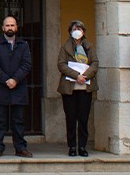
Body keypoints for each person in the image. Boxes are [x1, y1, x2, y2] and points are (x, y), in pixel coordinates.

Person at [0, 15, 32, 158]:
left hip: (18, 89)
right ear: (2, 28)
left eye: (12, 25)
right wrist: (7, 79)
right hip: (0, 88)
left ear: (17, 27)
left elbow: (27, 65)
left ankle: (20, 148)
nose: (10, 28)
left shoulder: (23, 45)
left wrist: (15, 79)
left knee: (18, 121)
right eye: (7, 25)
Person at [57, 19, 98, 157]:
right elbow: (61, 64)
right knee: (70, 117)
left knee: (83, 118)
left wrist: (85, 76)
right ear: (70, 31)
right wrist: (76, 76)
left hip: (85, 87)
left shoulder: (89, 46)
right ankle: (72, 146)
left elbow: (95, 63)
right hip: (70, 88)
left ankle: (82, 146)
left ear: (84, 32)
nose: (77, 31)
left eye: (79, 29)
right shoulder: (65, 47)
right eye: (74, 29)